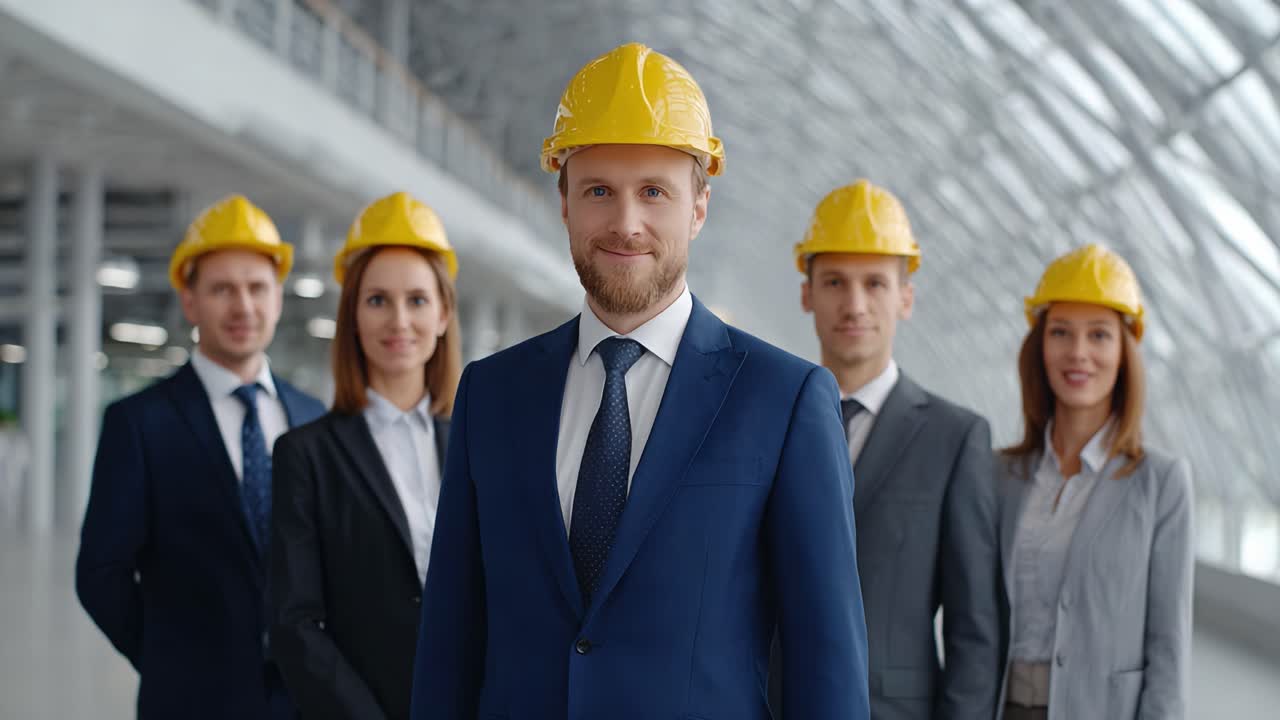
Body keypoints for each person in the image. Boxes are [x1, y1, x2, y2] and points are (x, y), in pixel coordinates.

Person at [409, 42, 869, 719]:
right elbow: (450, 639)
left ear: (698, 208)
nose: (626, 223)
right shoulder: (492, 394)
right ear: (564, 203)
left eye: (654, 192)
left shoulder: (785, 399)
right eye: (599, 191)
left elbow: (825, 659)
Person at [76, 195, 326, 718]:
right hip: (188, 701)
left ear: (278, 298)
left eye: (257, 288)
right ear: (189, 302)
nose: (243, 306)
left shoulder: (312, 415)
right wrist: (168, 660)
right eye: (222, 290)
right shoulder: (139, 423)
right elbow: (101, 572)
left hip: (301, 702)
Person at [773, 179, 1001, 719]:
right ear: (807, 293)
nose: (854, 304)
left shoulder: (955, 438)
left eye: (875, 283)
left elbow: (975, 631)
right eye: (835, 281)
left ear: (906, 297)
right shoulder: (767, 422)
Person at [269, 191, 461, 720]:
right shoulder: (305, 455)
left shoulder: (481, 444)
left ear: (444, 314)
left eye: (417, 300)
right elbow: (295, 622)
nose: (399, 319)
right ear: (353, 315)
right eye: (377, 300)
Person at [997, 243, 1193, 720]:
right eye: (1060, 332)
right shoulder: (999, 474)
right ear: (1039, 348)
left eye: (1099, 335)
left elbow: (1168, 647)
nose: (1078, 353)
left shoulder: (1162, 482)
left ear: (1124, 353)